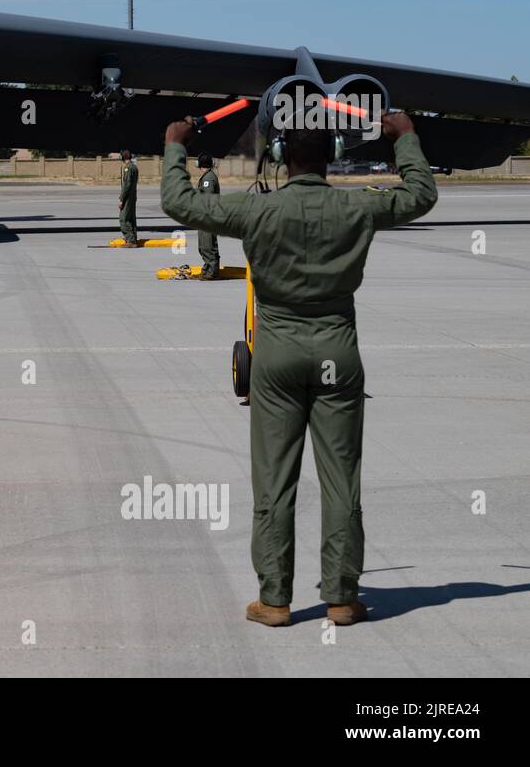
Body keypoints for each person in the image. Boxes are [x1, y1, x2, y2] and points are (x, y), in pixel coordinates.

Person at [160, 112, 437, 627]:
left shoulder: (257, 210)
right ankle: (341, 597)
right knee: (341, 482)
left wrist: (176, 146)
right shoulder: (358, 206)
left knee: (275, 481)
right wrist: (406, 139)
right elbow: (421, 195)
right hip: (337, 353)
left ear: (282, 159)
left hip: (278, 357)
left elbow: (180, 204)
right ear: (333, 154)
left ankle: (275, 599)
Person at [195, 154, 221, 278]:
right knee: (203, 245)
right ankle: (208, 267)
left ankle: (212, 271)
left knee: (207, 245)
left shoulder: (208, 179)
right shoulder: (207, 177)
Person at [118, 150, 138, 245]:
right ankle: (133, 238)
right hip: (133, 196)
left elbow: (126, 185)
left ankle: (130, 240)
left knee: (123, 218)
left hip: (128, 196)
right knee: (131, 218)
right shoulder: (134, 167)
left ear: (123, 157)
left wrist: (121, 199)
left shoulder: (128, 168)